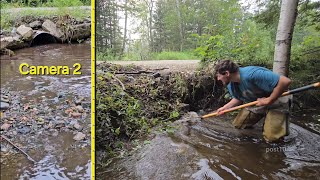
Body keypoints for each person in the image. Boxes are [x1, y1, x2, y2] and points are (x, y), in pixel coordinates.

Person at [214, 60, 292, 142]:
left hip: (279, 98)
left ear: (227, 73)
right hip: (258, 100)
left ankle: (275, 132)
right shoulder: (231, 84)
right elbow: (238, 98)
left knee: (272, 139)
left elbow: (285, 81)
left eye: (219, 76)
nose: (218, 79)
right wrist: (225, 107)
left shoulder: (252, 74)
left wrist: (269, 100)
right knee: (239, 126)